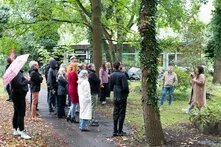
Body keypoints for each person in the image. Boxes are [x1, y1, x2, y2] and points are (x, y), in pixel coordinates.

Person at [110, 61, 129, 136]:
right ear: (119, 66)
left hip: (115, 95)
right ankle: (120, 130)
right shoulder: (122, 75)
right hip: (122, 96)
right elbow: (125, 87)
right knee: (122, 113)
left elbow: (110, 87)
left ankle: (115, 130)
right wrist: (126, 93)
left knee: (115, 112)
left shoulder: (112, 75)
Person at [11, 70, 31, 139]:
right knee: (21, 113)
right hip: (19, 95)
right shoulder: (17, 73)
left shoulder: (14, 73)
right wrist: (26, 80)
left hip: (15, 94)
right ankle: (22, 131)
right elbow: (19, 84)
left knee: (16, 112)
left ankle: (15, 129)